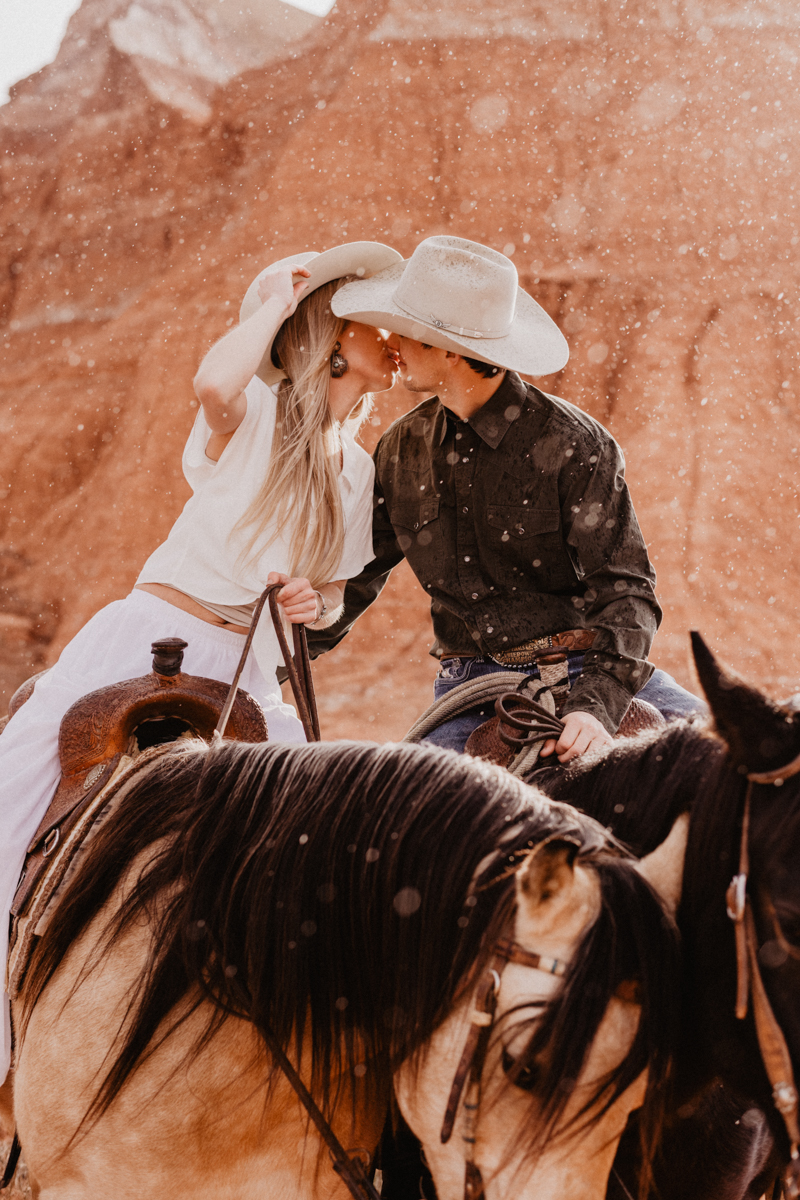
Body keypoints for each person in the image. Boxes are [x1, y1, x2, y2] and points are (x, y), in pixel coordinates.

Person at [0, 239, 402, 1084]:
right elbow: (214, 383)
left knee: (315, 849)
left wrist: (309, 605)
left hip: (254, 672)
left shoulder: (358, 466)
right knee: (18, 800)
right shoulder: (252, 412)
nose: (393, 332)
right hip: (150, 637)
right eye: (373, 318)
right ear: (327, 330)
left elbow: (328, 594)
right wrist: (281, 302)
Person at [306, 235, 705, 761]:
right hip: (467, 689)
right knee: (418, 824)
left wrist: (594, 706)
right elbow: (354, 577)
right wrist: (277, 653)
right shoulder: (400, 450)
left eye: (409, 332)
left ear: (451, 350)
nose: (392, 342)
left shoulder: (574, 445)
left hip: (587, 671)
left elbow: (627, 591)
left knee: (726, 761)